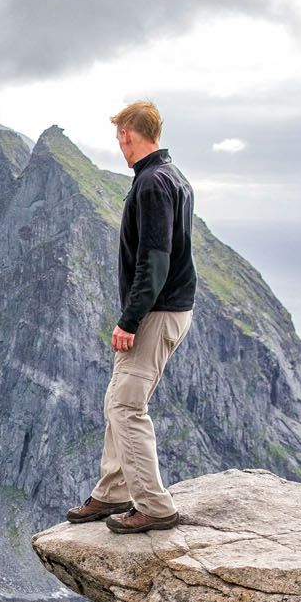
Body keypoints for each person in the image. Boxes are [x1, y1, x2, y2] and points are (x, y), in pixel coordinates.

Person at [66, 100, 197, 534]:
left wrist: (130, 320)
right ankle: (112, 491)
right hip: (166, 309)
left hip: (156, 313)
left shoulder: (152, 184)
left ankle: (154, 507)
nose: (118, 143)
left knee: (126, 405)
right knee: (117, 399)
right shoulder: (170, 176)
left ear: (127, 134)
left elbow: (155, 261)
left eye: (118, 135)